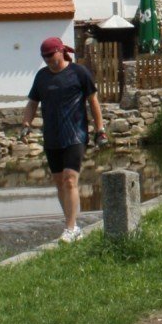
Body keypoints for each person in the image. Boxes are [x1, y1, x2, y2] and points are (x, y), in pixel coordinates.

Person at [21, 36, 108, 242]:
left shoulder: (79, 73)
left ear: (61, 51)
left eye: (51, 55)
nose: (48, 60)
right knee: (59, 182)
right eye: (44, 57)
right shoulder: (42, 77)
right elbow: (32, 103)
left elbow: (93, 101)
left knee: (70, 179)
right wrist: (25, 125)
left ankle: (70, 229)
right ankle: (72, 223)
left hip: (75, 135)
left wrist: (100, 129)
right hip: (52, 137)